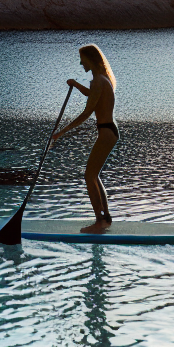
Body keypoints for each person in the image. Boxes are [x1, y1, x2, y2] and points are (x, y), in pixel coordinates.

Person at [52, 43, 119, 233]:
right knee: (94, 175)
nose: (81, 63)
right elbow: (91, 95)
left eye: (83, 59)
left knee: (89, 175)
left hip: (106, 132)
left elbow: (87, 112)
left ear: (91, 59)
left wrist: (61, 132)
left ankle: (99, 222)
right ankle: (105, 217)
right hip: (110, 131)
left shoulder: (98, 80)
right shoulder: (102, 79)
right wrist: (76, 84)